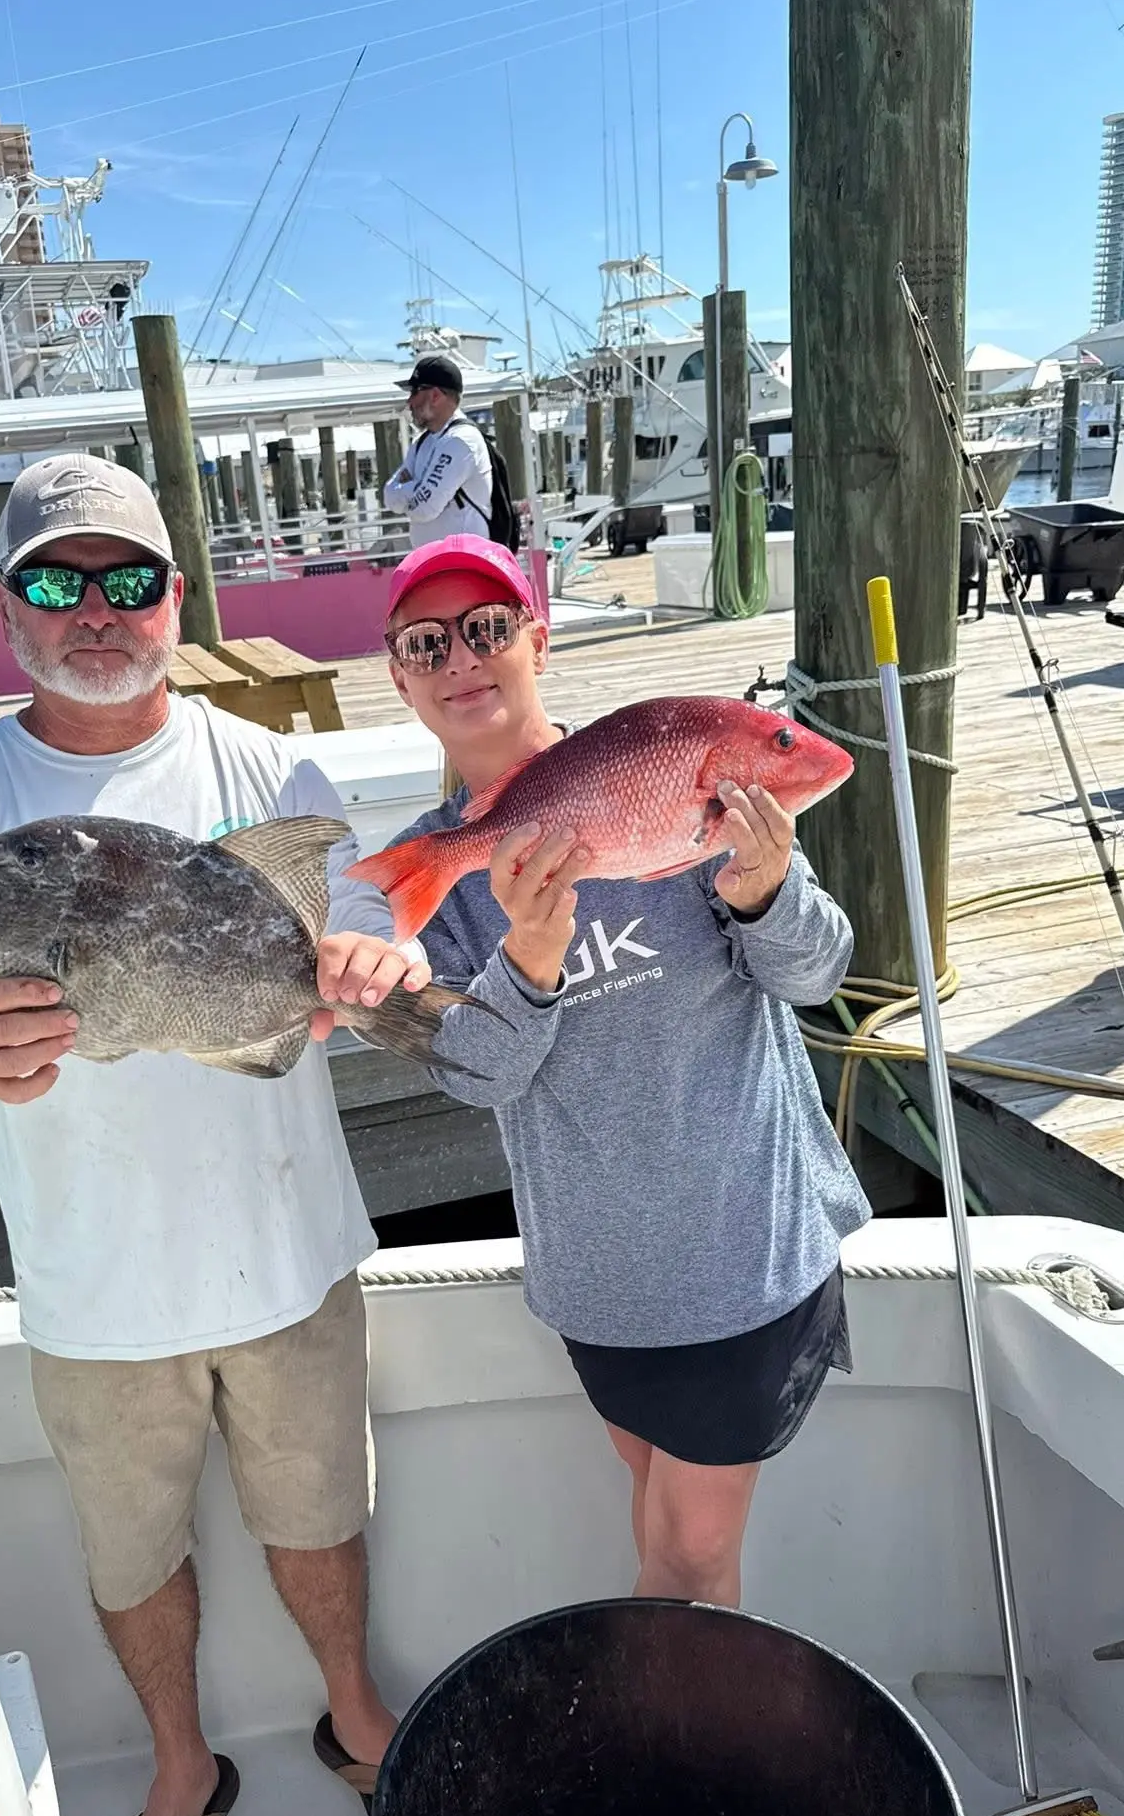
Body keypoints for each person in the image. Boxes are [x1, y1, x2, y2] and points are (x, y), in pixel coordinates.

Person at [0, 452, 425, 1816]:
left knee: (318, 1513)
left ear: (175, 593)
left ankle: (358, 1718)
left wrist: (368, 966)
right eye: (51, 580)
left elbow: (348, 916)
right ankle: (180, 1761)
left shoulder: (268, 769)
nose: (93, 610)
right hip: (94, 1291)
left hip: (290, 1249)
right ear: (2, 601)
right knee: (131, 1558)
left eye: (126, 578)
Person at [373, 533, 871, 1610]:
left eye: (488, 628)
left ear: (536, 643)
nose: (463, 658)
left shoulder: (690, 779)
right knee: (654, 1509)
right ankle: (678, 1746)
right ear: (400, 678)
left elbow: (820, 971)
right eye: (429, 642)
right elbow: (476, 1075)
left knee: (689, 1558)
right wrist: (531, 964)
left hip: (747, 1252)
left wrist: (762, 890)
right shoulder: (433, 870)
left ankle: (673, 1758)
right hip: (601, 1279)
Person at [383, 354, 493, 547]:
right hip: (435, 565)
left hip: (463, 563)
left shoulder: (460, 440)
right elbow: (388, 495)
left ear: (435, 395)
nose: (410, 401)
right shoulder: (421, 441)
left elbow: (424, 509)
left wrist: (409, 489)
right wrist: (418, 489)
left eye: (415, 392)